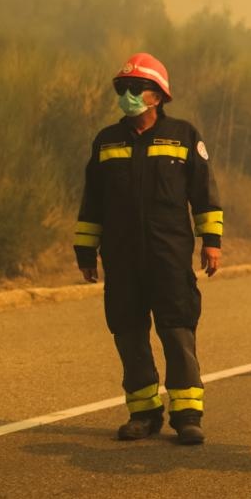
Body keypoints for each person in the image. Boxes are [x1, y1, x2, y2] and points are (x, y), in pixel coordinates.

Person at [74, 53, 223, 445]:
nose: (126, 96)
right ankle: (143, 413)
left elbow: (203, 192)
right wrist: (86, 252)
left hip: (169, 256)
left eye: (134, 89)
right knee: (128, 333)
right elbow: (92, 201)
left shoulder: (184, 136)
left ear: (157, 95)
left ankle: (188, 415)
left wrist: (212, 242)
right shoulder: (107, 141)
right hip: (121, 259)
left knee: (177, 333)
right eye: (122, 89)